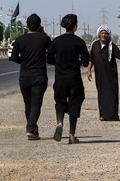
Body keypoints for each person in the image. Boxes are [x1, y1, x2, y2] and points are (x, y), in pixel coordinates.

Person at [47, 14, 89, 144]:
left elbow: (48, 58)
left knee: (60, 101)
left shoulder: (57, 41)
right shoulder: (79, 42)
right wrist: (78, 62)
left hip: (60, 77)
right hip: (74, 77)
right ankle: (71, 134)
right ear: (75, 26)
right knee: (74, 103)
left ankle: (60, 122)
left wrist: (59, 62)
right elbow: (86, 62)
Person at [10, 13, 51, 140]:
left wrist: (24, 61)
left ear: (26, 25)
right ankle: (30, 128)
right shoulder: (44, 39)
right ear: (40, 26)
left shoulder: (19, 40)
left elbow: (13, 57)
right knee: (36, 104)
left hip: (25, 76)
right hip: (39, 76)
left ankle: (33, 130)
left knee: (28, 104)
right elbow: (51, 55)